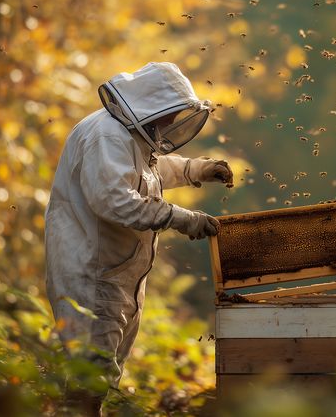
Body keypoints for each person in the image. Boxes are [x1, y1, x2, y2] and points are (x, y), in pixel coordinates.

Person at [45, 62, 233, 406]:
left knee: (100, 379)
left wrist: (199, 168)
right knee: (88, 382)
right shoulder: (106, 136)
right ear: (152, 106)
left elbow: (151, 171)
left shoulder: (131, 135)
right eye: (171, 114)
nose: (172, 123)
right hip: (93, 274)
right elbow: (116, 202)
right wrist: (182, 219)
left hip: (117, 275)